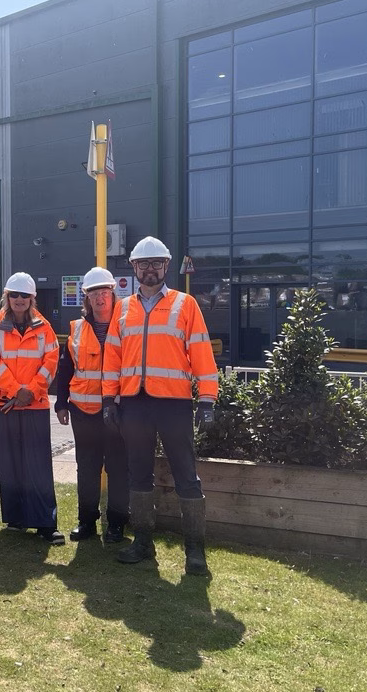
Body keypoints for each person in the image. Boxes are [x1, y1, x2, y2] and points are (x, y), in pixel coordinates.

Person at [101, 236, 219, 576]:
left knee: (186, 475)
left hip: (174, 404)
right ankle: (142, 543)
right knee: (139, 474)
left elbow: (201, 353)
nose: (149, 269)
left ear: (166, 267)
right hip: (134, 405)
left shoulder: (186, 305)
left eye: (156, 263)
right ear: (134, 268)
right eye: (143, 264)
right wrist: (110, 398)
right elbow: (113, 356)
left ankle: (195, 552)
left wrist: (207, 399)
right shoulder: (122, 309)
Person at [0, 272, 63, 545]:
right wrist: (15, 391)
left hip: (35, 403)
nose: (19, 300)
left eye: (24, 296)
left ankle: (45, 523)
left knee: (38, 466)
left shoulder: (45, 328)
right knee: (10, 464)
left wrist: (31, 390)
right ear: (7, 297)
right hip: (4, 405)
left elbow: (51, 361)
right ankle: (16, 519)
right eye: (14, 295)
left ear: (32, 299)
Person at [55, 267, 129, 544]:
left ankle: (117, 524)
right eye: (94, 293)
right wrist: (61, 403)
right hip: (83, 411)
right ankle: (86, 521)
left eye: (104, 293)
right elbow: (66, 369)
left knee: (118, 468)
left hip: (118, 411)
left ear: (113, 294)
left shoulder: (126, 326)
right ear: (86, 298)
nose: (100, 298)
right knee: (86, 467)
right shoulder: (76, 329)